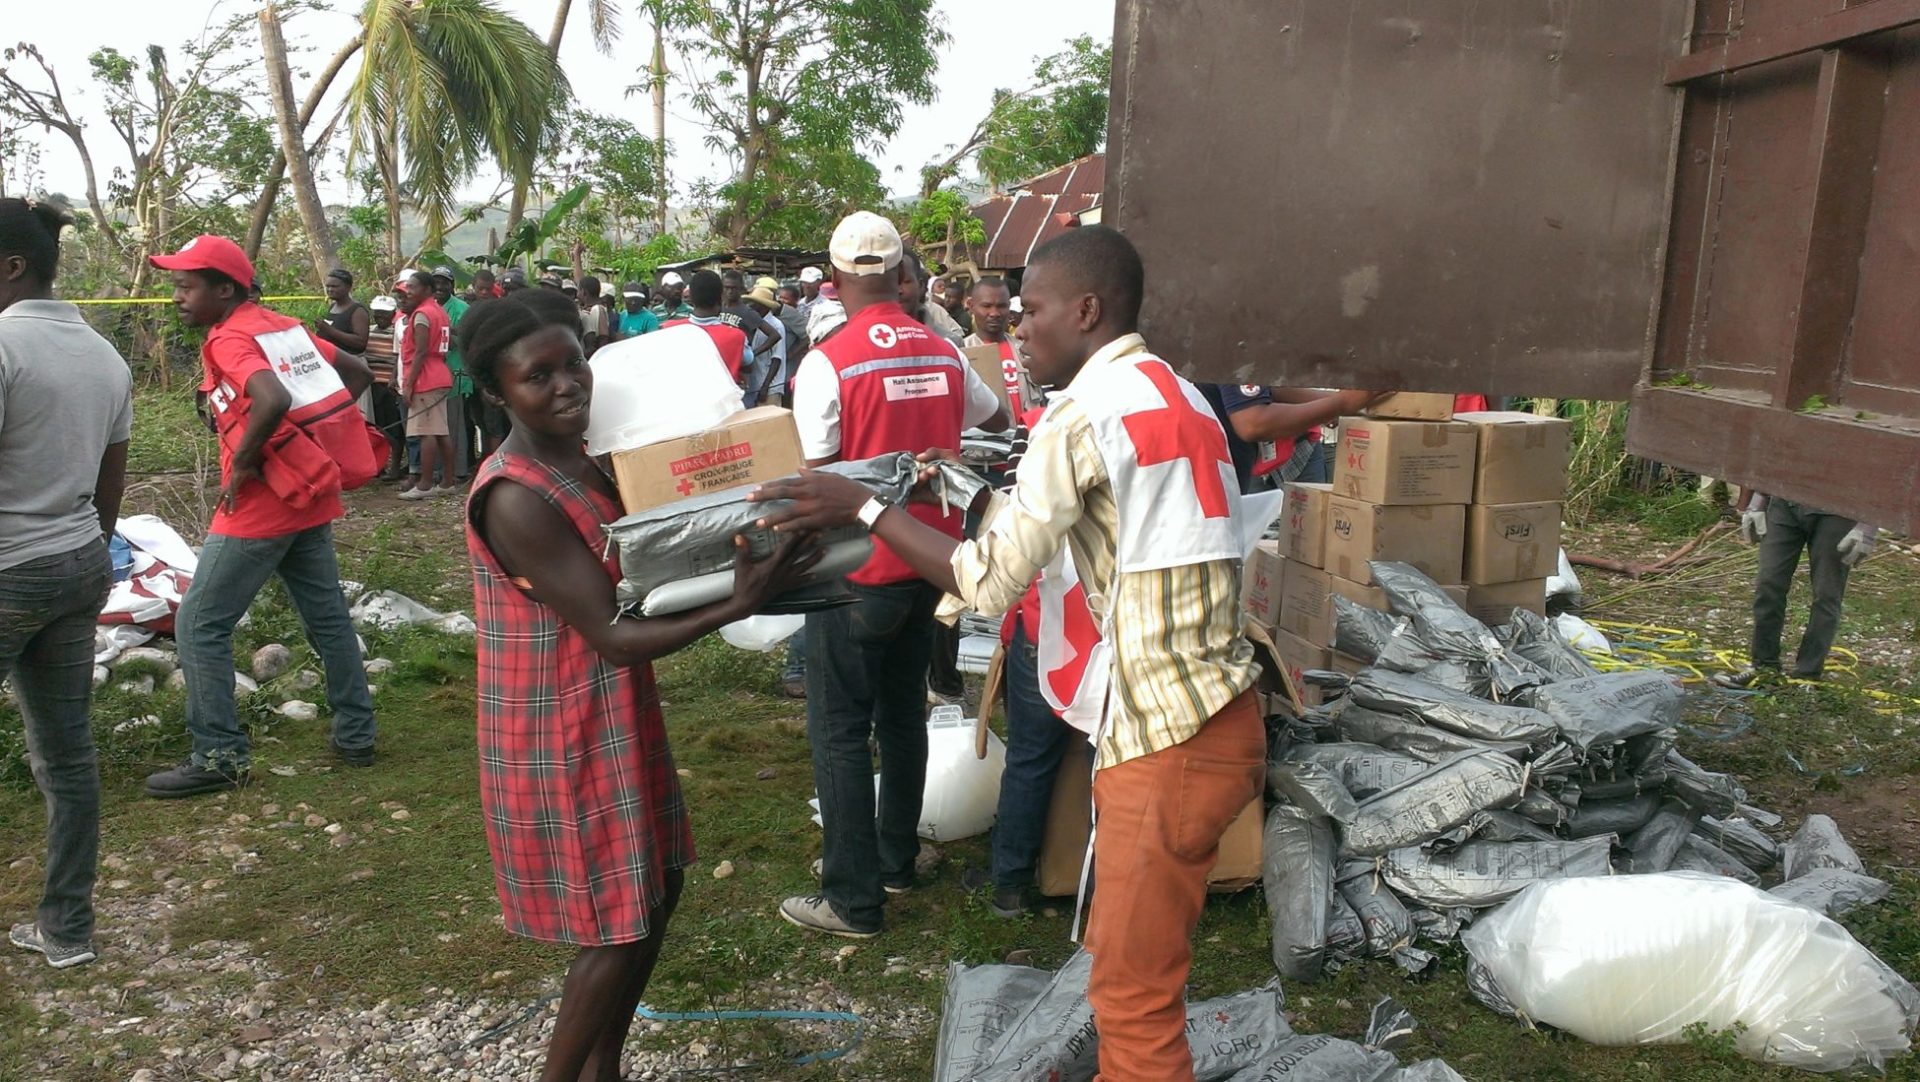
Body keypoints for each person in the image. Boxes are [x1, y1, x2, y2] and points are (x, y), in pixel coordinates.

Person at [753, 225, 1261, 1079]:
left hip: (1168, 737)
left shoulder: (1081, 414)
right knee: (1124, 955)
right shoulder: (1169, 390)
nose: (1017, 330)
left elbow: (984, 585)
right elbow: (1093, 526)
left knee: (1135, 1008)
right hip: (1215, 713)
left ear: (1087, 311)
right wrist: (976, 491)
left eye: (1032, 313)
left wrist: (864, 508)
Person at [461, 288, 819, 1082]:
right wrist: (742, 600)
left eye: (573, 365)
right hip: (560, 722)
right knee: (617, 924)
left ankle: (604, 1069)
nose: (566, 388)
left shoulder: (589, 455)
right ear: (496, 392)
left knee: (658, 889)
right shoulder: (517, 494)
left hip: (611, 707)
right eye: (538, 377)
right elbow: (615, 635)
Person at [772, 211, 1009, 938]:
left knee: (840, 729)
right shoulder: (942, 350)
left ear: (836, 279)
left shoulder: (829, 360)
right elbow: (995, 421)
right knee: (903, 713)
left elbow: (818, 475)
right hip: (929, 561)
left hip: (854, 571)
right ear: (900, 272)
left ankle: (853, 897)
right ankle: (897, 860)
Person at [143, 234, 377, 798]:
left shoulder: (229, 338)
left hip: (262, 504)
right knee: (327, 620)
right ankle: (356, 735)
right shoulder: (282, 326)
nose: (177, 297)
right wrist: (310, 439)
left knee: (199, 624)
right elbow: (358, 372)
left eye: (185, 286)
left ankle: (218, 755)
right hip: (310, 494)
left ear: (224, 288)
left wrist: (245, 463)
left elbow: (270, 398)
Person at [0, 198, 132, 969]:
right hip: (77, 559)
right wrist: (83, 552)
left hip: (9, 565)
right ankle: (67, 930)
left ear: (13, 266)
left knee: (64, 757)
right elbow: (109, 482)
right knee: (68, 757)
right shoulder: (102, 354)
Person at [1714, 493, 1879, 689]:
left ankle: (1807, 676)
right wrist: (1758, 498)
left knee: (1826, 594)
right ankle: (1764, 668)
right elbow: (1773, 461)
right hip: (1784, 502)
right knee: (1768, 583)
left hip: (1838, 510)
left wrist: (1868, 526)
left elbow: (1884, 470)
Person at [775, 298, 852, 701]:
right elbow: (815, 452)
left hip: (839, 491)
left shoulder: (833, 366)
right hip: (821, 488)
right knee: (822, 584)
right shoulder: (815, 370)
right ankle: (798, 666)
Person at [1201, 384, 1381, 492]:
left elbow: (1270, 389)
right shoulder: (1243, 332)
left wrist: (1334, 404)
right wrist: (1342, 404)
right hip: (1207, 487)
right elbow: (1253, 423)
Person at [396, 269, 457, 499]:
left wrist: (409, 384)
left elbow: (420, 352)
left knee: (426, 433)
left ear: (427, 290)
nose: (408, 291)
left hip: (426, 378)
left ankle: (425, 484)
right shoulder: (439, 311)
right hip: (440, 373)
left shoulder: (421, 314)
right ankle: (447, 481)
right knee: (441, 432)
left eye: (412, 287)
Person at [663, 270, 754, 390]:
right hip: (724, 405)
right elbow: (748, 364)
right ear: (721, 297)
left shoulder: (668, 329)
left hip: (682, 403)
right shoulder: (737, 337)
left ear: (690, 297)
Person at [430, 267, 474, 479]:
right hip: (429, 377)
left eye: (444, 282)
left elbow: (466, 341)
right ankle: (436, 468)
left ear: (452, 285)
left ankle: (457, 470)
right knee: (434, 425)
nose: (439, 286)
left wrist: (445, 334)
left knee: (454, 425)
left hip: (454, 374)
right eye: (436, 282)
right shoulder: (425, 307)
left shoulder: (461, 308)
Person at [364, 294, 408, 479]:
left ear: (392, 314)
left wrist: (393, 379)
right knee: (376, 428)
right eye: (377, 313)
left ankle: (395, 467)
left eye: (384, 313)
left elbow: (399, 358)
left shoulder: (396, 332)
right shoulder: (368, 331)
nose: (380, 317)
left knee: (393, 429)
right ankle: (378, 465)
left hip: (389, 386)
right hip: (370, 386)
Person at [899, 250, 966, 348]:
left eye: (905, 281)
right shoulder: (873, 340)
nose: (898, 290)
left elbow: (957, 332)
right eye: (889, 282)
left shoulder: (950, 343)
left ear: (921, 286)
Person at [742, 278, 792, 407]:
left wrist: (766, 387)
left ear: (763, 305)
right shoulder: (753, 322)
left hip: (771, 386)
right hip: (754, 383)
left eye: (754, 303)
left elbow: (777, 358)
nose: (750, 306)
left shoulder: (776, 325)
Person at [313, 268, 369, 355]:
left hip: (350, 362)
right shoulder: (333, 306)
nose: (330, 289)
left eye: (334, 286)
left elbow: (360, 343)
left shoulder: (357, 311)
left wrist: (330, 330)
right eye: (327, 286)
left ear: (348, 287)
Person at [962, 277, 1013, 350]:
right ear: (971, 306)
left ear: (1009, 306)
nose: (994, 313)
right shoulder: (960, 353)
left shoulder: (1023, 351)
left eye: (1001, 306)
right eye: (986, 306)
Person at [578, 275, 612, 357]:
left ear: (583, 292)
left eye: (578, 290)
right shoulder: (587, 309)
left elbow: (603, 337)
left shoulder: (598, 309)